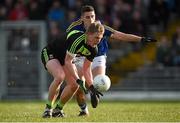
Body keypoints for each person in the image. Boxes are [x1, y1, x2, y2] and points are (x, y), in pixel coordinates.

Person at [53, 5, 157, 116]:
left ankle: (93, 93)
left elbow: (120, 36)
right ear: (82, 18)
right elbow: (66, 41)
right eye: (87, 17)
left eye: (92, 16)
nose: (91, 19)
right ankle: (79, 109)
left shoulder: (100, 27)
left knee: (98, 81)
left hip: (98, 56)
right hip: (80, 57)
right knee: (77, 85)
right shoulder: (74, 27)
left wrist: (140, 39)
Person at [41, 21, 104, 118]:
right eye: (96, 37)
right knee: (59, 76)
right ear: (88, 34)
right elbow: (68, 61)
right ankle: (48, 109)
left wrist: (91, 87)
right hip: (51, 53)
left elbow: (86, 69)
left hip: (65, 58)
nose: (98, 41)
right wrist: (78, 78)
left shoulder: (93, 49)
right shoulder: (77, 40)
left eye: (100, 38)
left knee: (74, 85)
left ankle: (58, 110)